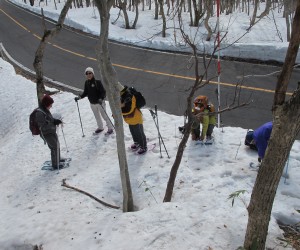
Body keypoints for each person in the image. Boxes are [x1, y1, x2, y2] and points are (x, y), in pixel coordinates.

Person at [74, 67, 113, 135]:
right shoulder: (86, 83)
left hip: (100, 103)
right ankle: (100, 127)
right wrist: (79, 97)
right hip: (92, 103)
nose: (88, 74)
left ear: (93, 74)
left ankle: (110, 128)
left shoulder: (97, 82)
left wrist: (101, 98)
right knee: (97, 116)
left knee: (104, 116)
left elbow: (103, 92)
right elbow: (85, 92)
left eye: (90, 73)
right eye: (87, 73)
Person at [118, 82, 147, 155]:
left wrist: (122, 106)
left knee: (139, 133)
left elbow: (129, 109)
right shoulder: (121, 97)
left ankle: (143, 147)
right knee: (133, 132)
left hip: (136, 118)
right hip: (130, 119)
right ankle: (136, 143)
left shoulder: (129, 97)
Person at [35, 94, 63, 170]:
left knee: (57, 144)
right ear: (46, 104)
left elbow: (49, 119)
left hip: (51, 131)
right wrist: (53, 124)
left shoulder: (45, 110)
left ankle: (58, 159)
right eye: (50, 104)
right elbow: (43, 127)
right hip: (46, 133)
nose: (51, 106)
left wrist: (55, 121)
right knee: (54, 147)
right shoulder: (39, 113)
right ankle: (55, 164)